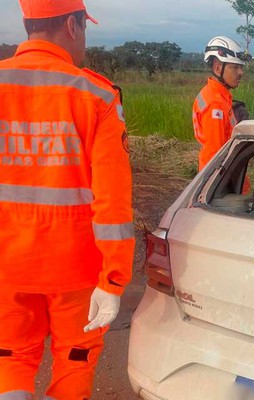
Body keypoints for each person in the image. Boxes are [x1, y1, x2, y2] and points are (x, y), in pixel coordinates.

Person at [0, 1, 135, 399]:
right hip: (75, 270)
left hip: (5, 267)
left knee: (9, 357)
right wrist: (113, 279)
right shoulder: (98, 96)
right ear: (73, 27)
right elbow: (112, 202)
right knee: (75, 358)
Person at [192, 36, 251, 171]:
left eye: (241, 67)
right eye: (235, 67)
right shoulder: (215, 104)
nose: (241, 72)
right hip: (221, 180)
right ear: (218, 68)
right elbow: (215, 156)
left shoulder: (217, 95)